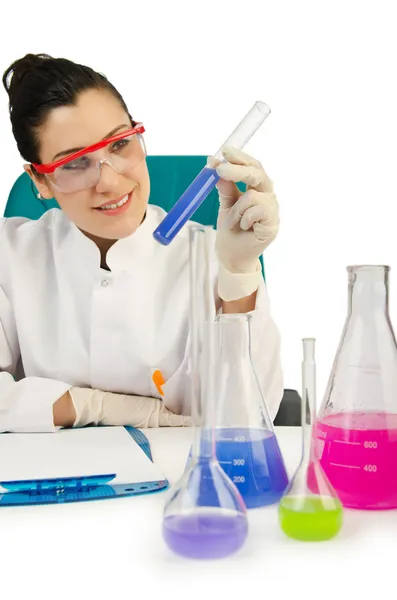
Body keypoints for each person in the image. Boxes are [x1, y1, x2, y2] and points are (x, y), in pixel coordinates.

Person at [0, 53, 282, 433]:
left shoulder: (211, 256)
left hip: (178, 482)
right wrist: (93, 406)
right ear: (40, 181)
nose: (110, 182)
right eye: (73, 163)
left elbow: (251, 416)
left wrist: (239, 274)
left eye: (119, 145)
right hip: (51, 487)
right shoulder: (10, 254)